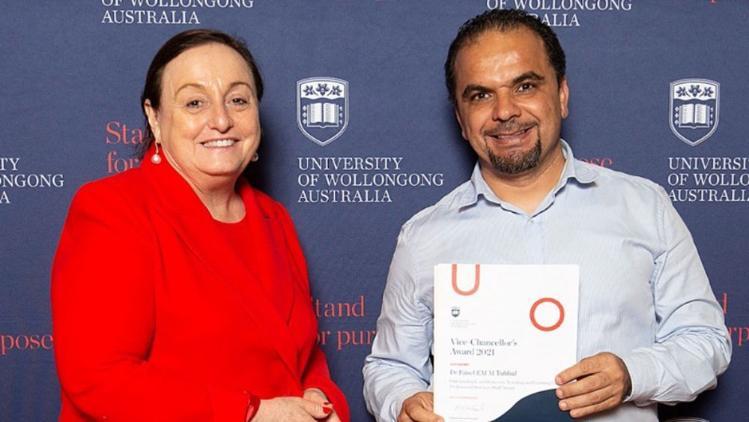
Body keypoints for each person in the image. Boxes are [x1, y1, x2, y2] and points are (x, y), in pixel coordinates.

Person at [362, 9, 730, 422]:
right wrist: (404, 402)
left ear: (561, 95)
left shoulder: (644, 207)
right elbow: (390, 367)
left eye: (524, 85)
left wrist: (631, 374)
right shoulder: (423, 236)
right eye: (480, 95)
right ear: (461, 121)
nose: (504, 111)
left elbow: (706, 341)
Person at [52, 29, 349, 422]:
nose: (222, 120)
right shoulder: (112, 210)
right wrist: (250, 413)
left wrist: (320, 400)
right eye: (195, 103)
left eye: (238, 100)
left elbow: (303, 358)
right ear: (155, 119)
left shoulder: (273, 218)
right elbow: (99, 379)